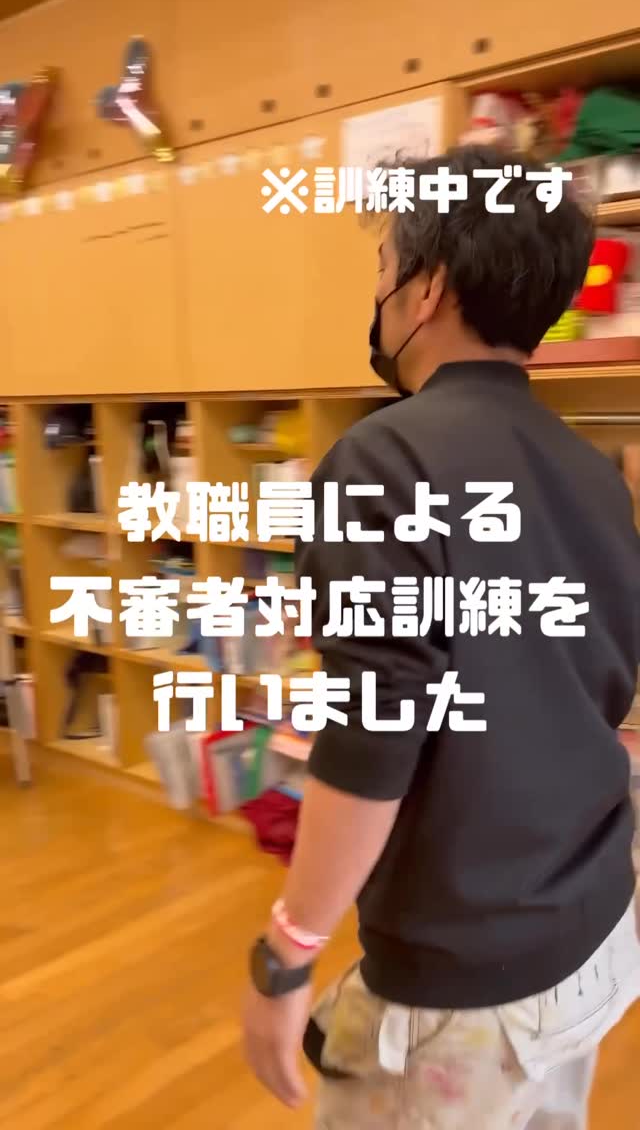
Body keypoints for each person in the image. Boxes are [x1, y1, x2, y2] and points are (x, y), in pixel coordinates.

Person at [242, 145, 640, 1129]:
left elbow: (372, 737)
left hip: (463, 988)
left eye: (384, 268)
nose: (378, 293)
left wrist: (287, 950)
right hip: (593, 934)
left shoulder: (382, 459)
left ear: (426, 290)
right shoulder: (594, 475)